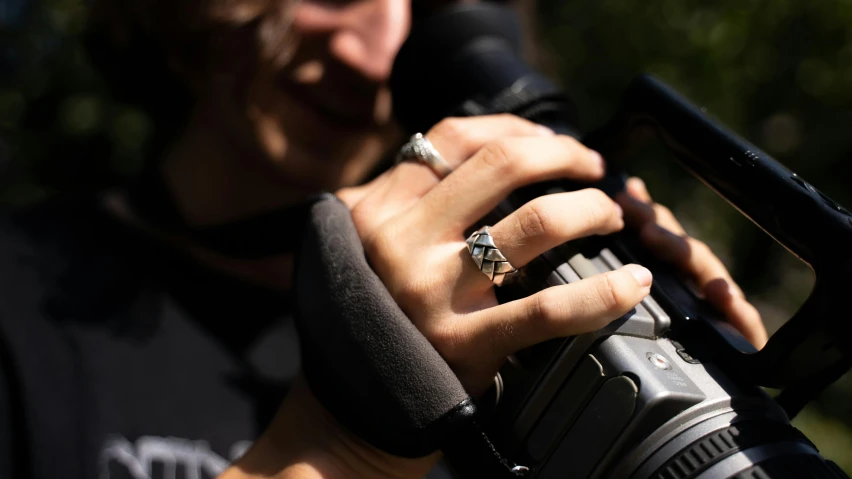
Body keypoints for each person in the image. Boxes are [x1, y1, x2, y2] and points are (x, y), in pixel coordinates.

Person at [0, 0, 767, 478]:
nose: (373, 56)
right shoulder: (19, 300)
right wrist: (341, 444)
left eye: (427, 16)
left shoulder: (494, 346)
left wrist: (665, 380)